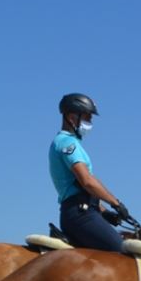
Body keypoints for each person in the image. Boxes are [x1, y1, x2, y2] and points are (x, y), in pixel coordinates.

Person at [49, 93, 131, 252]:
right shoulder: (67, 143)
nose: (90, 123)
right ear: (72, 117)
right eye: (87, 118)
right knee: (124, 252)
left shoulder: (68, 142)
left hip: (83, 211)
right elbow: (87, 181)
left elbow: (81, 188)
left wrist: (105, 212)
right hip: (80, 215)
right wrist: (116, 203)